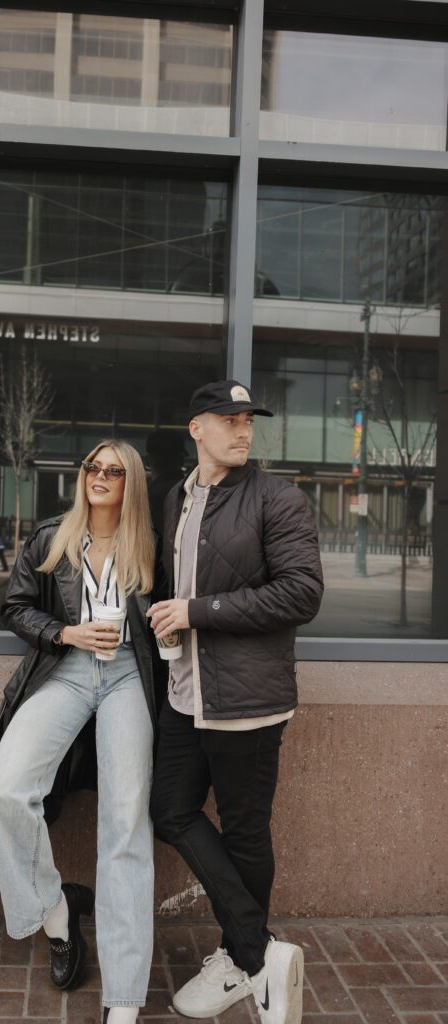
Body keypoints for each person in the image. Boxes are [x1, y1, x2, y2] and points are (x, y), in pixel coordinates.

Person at [148, 380, 324, 1024]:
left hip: (248, 700)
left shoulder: (277, 497)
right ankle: (260, 952)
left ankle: (238, 956)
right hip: (184, 693)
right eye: (228, 418)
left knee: (246, 830)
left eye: (248, 419)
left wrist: (196, 611)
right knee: (169, 809)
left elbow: (301, 593)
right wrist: (167, 616)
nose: (243, 429)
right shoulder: (176, 497)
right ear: (197, 427)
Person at [0, 440, 159, 1024]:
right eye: (93, 467)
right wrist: (65, 634)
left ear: (130, 483)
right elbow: (14, 607)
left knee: (126, 823)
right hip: (67, 670)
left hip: (130, 673)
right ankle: (58, 914)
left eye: (113, 470)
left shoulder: (152, 545)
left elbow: (171, 616)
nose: (100, 477)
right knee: (5, 788)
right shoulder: (52, 536)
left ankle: (125, 999)